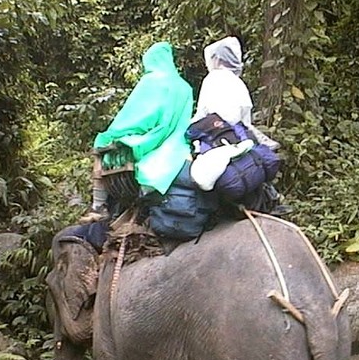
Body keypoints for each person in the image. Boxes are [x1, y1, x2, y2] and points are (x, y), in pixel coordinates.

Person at [82, 41, 194, 222]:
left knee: (101, 141)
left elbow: (137, 117)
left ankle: (98, 204)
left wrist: (114, 133)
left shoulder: (151, 81)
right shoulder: (184, 86)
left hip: (150, 142)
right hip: (177, 145)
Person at [191, 36, 279, 150]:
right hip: (241, 139)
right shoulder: (239, 83)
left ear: (217, 59)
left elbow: (202, 114)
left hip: (218, 138)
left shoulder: (213, 78)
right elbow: (246, 119)